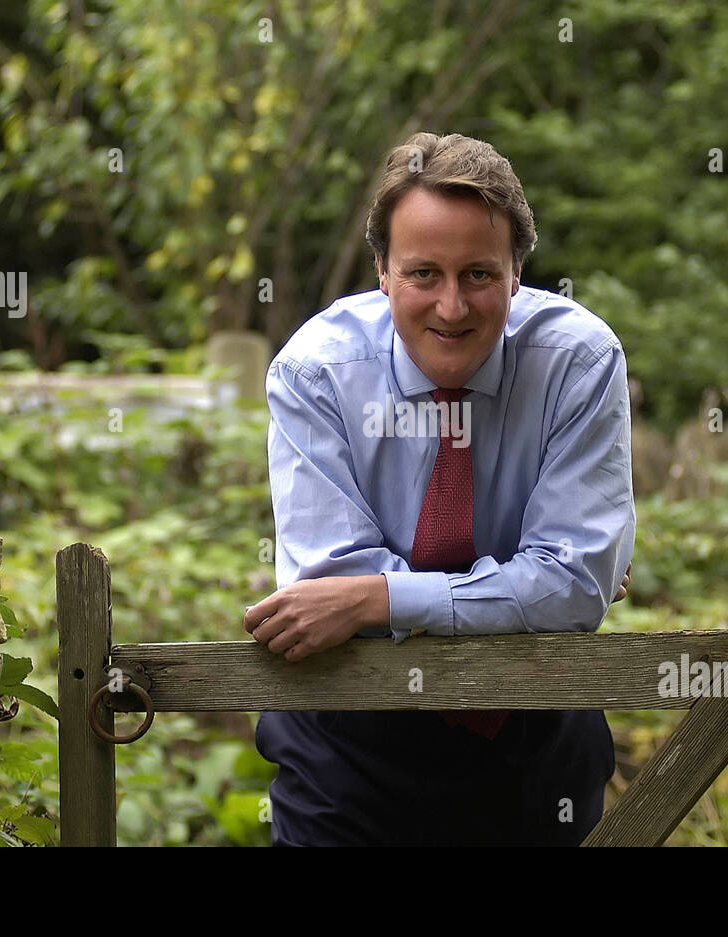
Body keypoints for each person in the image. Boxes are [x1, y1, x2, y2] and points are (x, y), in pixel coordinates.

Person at [245, 131, 636, 846]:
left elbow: (575, 585)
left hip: (531, 723)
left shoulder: (578, 363)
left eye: (479, 275)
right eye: (424, 273)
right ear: (382, 272)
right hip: (347, 730)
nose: (452, 307)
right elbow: (325, 579)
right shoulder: (317, 371)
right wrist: (525, 587)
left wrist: (378, 596)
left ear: (518, 274)